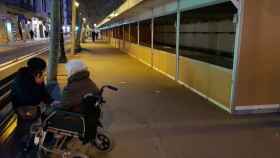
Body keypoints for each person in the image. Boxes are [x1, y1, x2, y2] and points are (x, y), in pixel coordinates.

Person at [11, 57, 54, 153]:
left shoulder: (37, 75)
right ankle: (26, 142)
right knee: (43, 115)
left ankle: (40, 138)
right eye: (43, 70)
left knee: (50, 113)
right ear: (37, 70)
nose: (44, 72)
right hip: (23, 108)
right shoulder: (22, 79)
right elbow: (27, 99)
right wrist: (38, 84)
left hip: (33, 106)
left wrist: (51, 101)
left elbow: (43, 92)